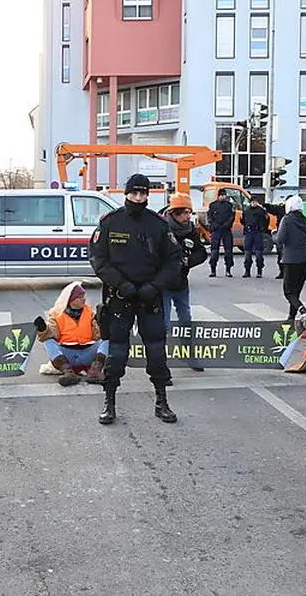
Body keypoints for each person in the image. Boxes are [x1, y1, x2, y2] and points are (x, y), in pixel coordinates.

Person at [89, 173, 183, 425]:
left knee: (156, 352)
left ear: (148, 196)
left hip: (150, 298)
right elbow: (98, 259)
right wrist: (122, 284)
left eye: (143, 193)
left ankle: (161, 402)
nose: (138, 197)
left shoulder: (159, 225)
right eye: (134, 193)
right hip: (120, 297)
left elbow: (174, 261)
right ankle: (109, 402)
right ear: (126, 194)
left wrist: (155, 286)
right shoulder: (110, 222)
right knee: (117, 353)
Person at [34, 282, 108, 386]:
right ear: (71, 300)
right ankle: (68, 372)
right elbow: (53, 334)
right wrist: (43, 329)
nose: (84, 299)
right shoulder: (57, 314)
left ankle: (95, 371)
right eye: (81, 297)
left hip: (87, 353)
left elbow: (97, 336)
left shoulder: (89, 312)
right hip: (67, 355)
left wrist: (101, 323)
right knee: (48, 341)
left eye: (84, 296)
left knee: (107, 339)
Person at [161, 194, 208, 351]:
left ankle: (188, 350)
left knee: (186, 320)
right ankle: (160, 353)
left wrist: (189, 261)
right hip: (163, 284)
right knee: (164, 322)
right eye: (186, 212)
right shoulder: (162, 229)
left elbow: (201, 253)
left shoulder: (191, 231)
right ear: (175, 213)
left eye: (189, 212)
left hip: (181, 283)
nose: (189, 216)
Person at [274, 195, 306, 322]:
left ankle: (303, 310)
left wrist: (274, 235)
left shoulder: (286, 220)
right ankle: (291, 317)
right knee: (296, 291)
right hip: (304, 260)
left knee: (288, 292)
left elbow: (280, 240)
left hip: (290, 260)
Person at [206, 189, 235, 277]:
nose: (223, 197)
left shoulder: (229, 205)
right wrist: (215, 225)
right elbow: (210, 217)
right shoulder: (213, 205)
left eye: (224, 195)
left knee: (228, 251)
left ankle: (228, 270)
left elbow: (232, 217)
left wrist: (226, 225)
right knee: (214, 251)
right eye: (221, 195)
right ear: (218, 196)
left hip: (226, 230)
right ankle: (213, 270)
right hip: (216, 230)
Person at [241, 197, 270, 278]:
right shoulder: (246, 210)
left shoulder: (261, 211)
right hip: (249, 232)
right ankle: (247, 271)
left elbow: (267, 220)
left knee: (259, 253)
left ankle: (259, 271)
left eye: (256, 202)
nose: (254, 203)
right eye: (253, 202)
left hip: (258, 232)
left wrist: (263, 229)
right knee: (247, 252)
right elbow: (242, 221)